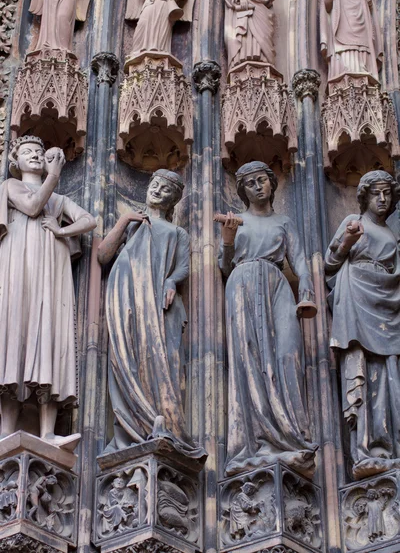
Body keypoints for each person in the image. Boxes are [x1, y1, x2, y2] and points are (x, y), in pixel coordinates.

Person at [218, 161, 317, 477]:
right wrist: (228, 241)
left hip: (276, 286)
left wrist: (307, 290)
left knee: (288, 355)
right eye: (250, 183)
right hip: (243, 283)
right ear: (243, 191)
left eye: (262, 180)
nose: (258, 186)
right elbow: (224, 267)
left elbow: (300, 262)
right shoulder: (237, 220)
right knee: (248, 358)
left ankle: (289, 433)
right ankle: (254, 439)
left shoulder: (284, 223)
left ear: (272, 184)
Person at [98, 169, 203, 458]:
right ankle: (131, 426)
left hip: (160, 304)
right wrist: (123, 221)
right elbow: (102, 255)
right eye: (154, 185)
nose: (157, 190)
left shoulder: (177, 232)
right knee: (126, 358)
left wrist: (171, 280)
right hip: (126, 298)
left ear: (174, 200)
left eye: (165, 189)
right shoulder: (133, 225)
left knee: (165, 359)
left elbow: (183, 265)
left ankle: (162, 421)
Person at [0, 136, 96, 447]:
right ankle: (6, 431)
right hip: (18, 271)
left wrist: (61, 230)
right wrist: (54, 175)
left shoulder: (59, 200)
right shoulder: (12, 187)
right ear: (16, 161)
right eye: (27, 152)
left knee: (48, 342)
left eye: (40, 153)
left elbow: (90, 220)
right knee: (15, 341)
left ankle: (49, 433)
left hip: (50, 275)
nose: (36, 156)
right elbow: (31, 207)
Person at [325, 170, 400, 480]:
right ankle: (365, 449)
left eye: (387, 194)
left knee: (388, 372)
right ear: (365, 196)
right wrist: (348, 242)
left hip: (388, 301)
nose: (382, 199)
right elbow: (330, 264)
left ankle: (388, 446)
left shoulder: (393, 235)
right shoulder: (353, 223)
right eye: (376, 193)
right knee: (362, 368)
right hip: (356, 293)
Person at [320, 0, 382, 81]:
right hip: (341, 36)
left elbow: (370, 13)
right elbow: (326, 3)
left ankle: (364, 73)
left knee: (361, 54)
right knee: (345, 57)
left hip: (361, 36)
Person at [224, 0, 275, 71]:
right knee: (246, 37)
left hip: (260, 15)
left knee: (261, 38)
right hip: (244, 17)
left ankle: (262, 59)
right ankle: (242, 58)